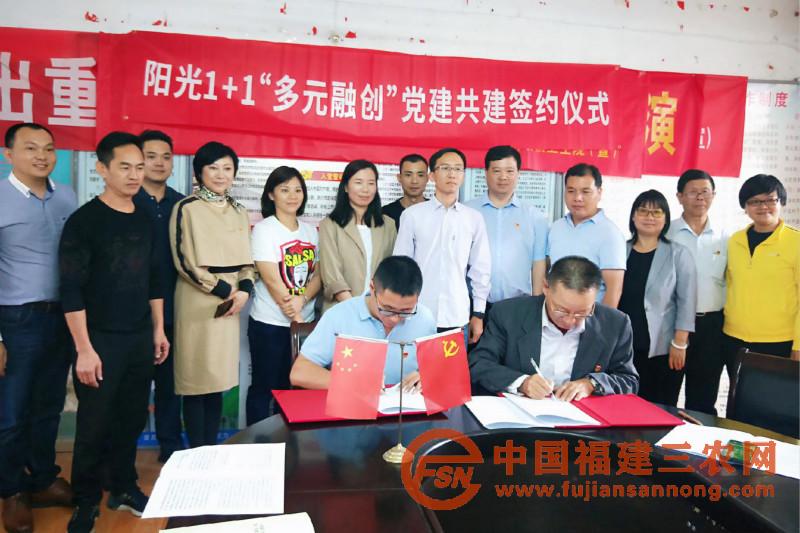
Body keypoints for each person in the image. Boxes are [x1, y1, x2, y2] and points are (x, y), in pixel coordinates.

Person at [60, 132, 169, 532]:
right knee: (94, 423)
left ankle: (123, 486)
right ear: (102, 169)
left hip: (139, 336)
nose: (134, 174)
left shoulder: (145, 216)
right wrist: (84, 349)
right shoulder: (84, 221)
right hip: (99, 339)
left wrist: (158, 330)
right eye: (125, 167)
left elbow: (155, 279)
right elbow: (70, 289)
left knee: (131, 417)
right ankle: (85, 499)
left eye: (139, 167)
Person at [0, 123, 76, 533]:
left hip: (61, 317)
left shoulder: (67, 195)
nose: (42, 156)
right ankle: (12, 491)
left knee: (49, 406)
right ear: (8, 154)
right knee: (12, 413)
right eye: (30, 148)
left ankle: (44, 477)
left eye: (48, 148)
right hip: (17, 319)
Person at [169, 142, 255, 448]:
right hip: (198, 301)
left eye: (227, 168)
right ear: (199, 173)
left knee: (218, 380)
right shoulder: (187, 208)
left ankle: (211, 449)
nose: (221, 174)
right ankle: (197, 451)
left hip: (232, 304)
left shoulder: (238, 211)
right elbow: (183, 261)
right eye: (213, 168)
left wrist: (244, 291)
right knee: (196, 380)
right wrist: (224, 289)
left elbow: (248, 261)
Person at [468, 256, 638, 401]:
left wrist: (592, 384)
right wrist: (522, 382)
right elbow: (479, 363)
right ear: (546, 287)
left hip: (584, 421)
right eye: (561, 310)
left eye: (582, 313)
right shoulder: (508, 314)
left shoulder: (615, 324)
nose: (570, 321)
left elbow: (628, 380)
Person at [290, 255, 436, 389]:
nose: (395, 318)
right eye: (387, 309)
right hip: (352, 406)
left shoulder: (425, 319)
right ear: (372, 287)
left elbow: (436, 370)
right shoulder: (339, 316)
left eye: (405, 311)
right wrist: (353, 382)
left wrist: (427, 377)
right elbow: (300, 372)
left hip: (407, 406)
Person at [393, 148, 491, 344]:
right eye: (445, 168)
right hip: (416, 314)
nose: (452, 174)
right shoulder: (413, 215)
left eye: (458, 169)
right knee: (412, 364)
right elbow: (401, 266)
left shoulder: (473, 218)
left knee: (452, 365)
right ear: (432, 175)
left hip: (457, 315)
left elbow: (481, 269)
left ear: (463, 175)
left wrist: (478, 313)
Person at [248, 166, 321, 425]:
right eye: (285, 189)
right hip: (269, 324)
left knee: (293, 390)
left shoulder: (310, 231)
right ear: (271, 194)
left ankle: (288, 440)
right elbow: (270, 278)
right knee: (264, 387)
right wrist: (294, 312)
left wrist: (303, 302)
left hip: (303, 325)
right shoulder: (264, 229)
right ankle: (258, 441)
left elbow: (318, 274)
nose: (292, 196)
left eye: (298, 190)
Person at [133, 129, 185, 461]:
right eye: (151, 156)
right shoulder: (126, 201)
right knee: (133, 388)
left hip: (176, 308)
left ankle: (170, 448)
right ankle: (122, 458)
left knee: (171, 386)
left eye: (166, 157)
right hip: (134, 313)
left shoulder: (182, 204)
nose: (159, 163)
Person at [618, 190, 696, 406]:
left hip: (663, 348)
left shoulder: (678, 253)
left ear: (666, 218)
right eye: (643, 211)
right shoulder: (619, 250)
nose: (649, 217)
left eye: (656, 212)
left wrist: (680, 343)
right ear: (633, 216)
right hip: (623, 348)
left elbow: (687, 302)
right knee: (624, 407)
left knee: (660, 408)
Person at [667, 169, 729, 414]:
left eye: (705, 192)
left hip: (711, 327)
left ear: (714, 195)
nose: (700, 197)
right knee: (664, 395)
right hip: (671, 325)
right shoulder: (666, 233)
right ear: (680, 197)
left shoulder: (726, 237)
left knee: (703, 400)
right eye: (693, 192)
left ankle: (700, 439)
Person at [723, 175, 799, 363]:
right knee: (737, 384)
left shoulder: (796, 242)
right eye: (755, 201)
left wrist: (798, 346)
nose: (763, 206)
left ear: (781, 202)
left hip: (780, 341)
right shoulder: (734, 241)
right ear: (745, 207)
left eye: (770, 200)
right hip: (733, 338)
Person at [466, 145, 549, 312]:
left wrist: (537, 306)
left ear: (519, 173)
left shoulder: (535, 217)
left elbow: (538, 263)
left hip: (519, 306)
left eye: (510, 171)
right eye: (496, 171)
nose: (503, 177)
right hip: (473, 304)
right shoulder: (467, 212)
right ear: (486, 173)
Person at [319, 159, 396, 314]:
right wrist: (358, 310)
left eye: (371, 183)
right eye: (358, 182)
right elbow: (332, 275)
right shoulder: (330, 225)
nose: (365, 189)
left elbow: (391, 270)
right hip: (342, 310)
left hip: (379, 311)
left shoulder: (388, 224)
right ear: (346, 187)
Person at [547, 163, 626, 307]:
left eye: (586, 191)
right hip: (555, 314)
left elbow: (614, 291)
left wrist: (601, 321)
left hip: (589, 316)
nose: (578, 198)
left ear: (599, 192)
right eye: (571, 191)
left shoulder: (610, 234)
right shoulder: (556, 227)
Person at [382, 153, 428, 230]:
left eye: (420, 175)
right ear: (399, 178)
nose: (414, 181)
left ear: (427, 178)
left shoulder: (438, 212)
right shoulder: (385, 214)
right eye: (408, 175)